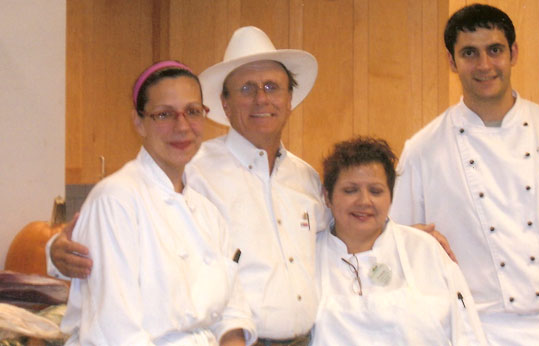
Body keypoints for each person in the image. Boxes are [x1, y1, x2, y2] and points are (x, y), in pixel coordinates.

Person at [48, 27, 328, 346]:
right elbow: (115, 321)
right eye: (247, 88)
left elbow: (230, 300)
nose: (261, 98)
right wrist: (53, 253)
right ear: (223, 103)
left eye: (271, 87)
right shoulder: (188, 168)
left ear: (289, 98)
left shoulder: (306, 179)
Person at [390, 4, 539, 345]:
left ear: (513, 53)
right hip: (472, 333)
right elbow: (396, 253)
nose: (484, 65)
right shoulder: (423, 150)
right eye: (470, 53)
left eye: (495, 50)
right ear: (451, 61)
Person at [60, 61, 256, 345]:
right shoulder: (115, 200)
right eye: (164, 115)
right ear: (139, 122)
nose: (183, 126)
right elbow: (116, 332)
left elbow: (232, 313)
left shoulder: (207, 213)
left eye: (193, 111)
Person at [311, 137, 488, 345]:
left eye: (376, 191)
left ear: (390, 196)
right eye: (350, 190)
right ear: (327, 196)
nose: (364, 201)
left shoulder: (425, 250)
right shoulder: (308, 256)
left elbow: (466, 332)